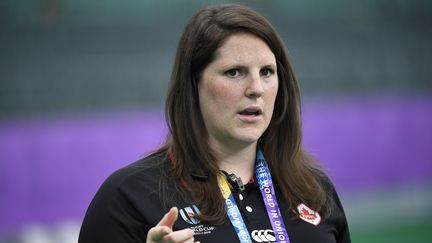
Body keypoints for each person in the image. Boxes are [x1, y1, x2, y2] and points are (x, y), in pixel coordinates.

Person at [78, 3, 351, 243]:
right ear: (193, 85)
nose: (256, 88)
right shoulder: (128, 197)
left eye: (267, 72)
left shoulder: (314, 189)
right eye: (234, 72)